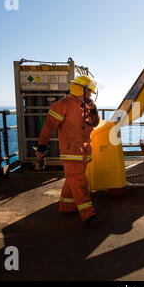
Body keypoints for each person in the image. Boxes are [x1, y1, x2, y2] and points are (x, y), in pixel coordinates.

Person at [36, 75, 100, 223]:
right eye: (89, 91)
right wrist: (41, 147)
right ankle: (88, 214)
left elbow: (93, 124)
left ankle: (66, 206)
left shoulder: (86, 106)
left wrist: (93, 109)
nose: (90, 94)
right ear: (81, 89)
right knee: (79, 182)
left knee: (72, 180)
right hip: (71, 153)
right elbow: (48, 128)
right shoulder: (62, 105)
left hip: (83, 151)